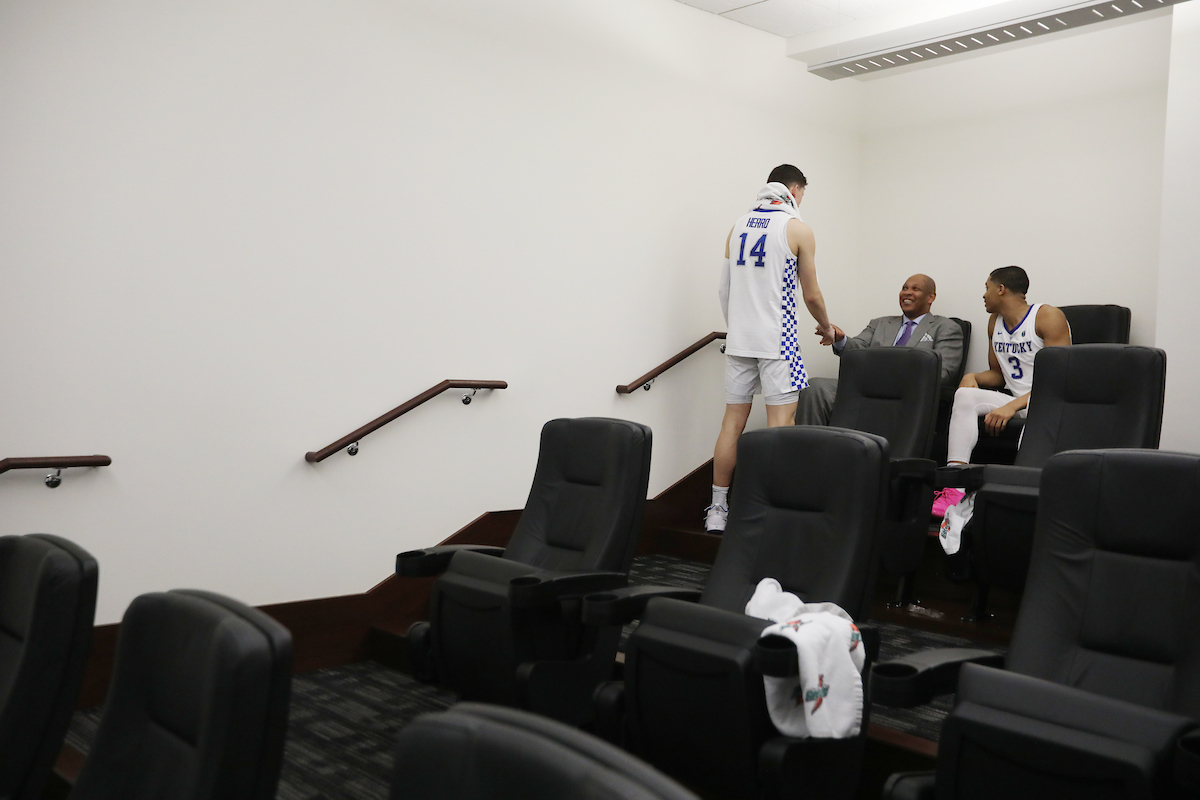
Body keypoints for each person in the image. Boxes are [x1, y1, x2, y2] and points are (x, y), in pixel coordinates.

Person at [706, 165, 836, 533]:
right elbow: (811, 294)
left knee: (732, 423)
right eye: (803, 194)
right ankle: (771, 509)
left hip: (740, 340)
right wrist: (826, 327)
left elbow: (723, 289)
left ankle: (718, 510)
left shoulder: (738, 226)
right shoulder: (798, 230)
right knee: (781, 427)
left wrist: (739, 328)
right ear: (795, 189)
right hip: (778, 341)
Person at [932, 266, 1071, 516]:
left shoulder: (1047, 316)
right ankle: (955, 486)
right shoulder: (994, 322)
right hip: (1017, 402)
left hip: (1050, 406)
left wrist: (1013, 405)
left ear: (1001, 289)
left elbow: (1061, 382)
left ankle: (1015, 504)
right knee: (964, 394)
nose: (984, 295)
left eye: (987, 287)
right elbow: (997, 375)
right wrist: (971, 376)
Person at [796, 274, 963, 425]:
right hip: (865, 387)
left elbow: (944, 373)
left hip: (906, 393)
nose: (907, 292)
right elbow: (857, 349)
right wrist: (840, 338)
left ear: (931, 297)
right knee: (815, 387)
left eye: (915, 289)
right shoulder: (880, 323)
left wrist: (897, 379)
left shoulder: (946, 327)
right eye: (904, 288)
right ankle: (809, 452)